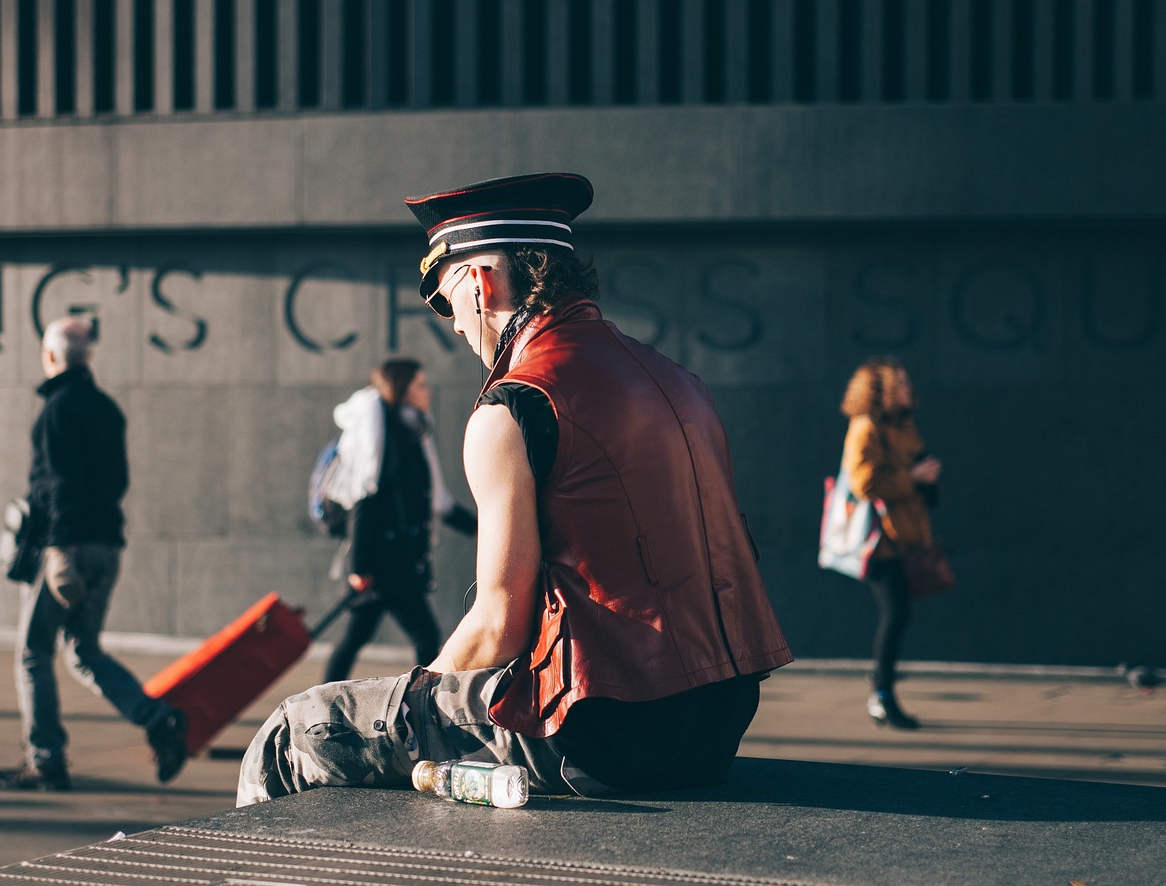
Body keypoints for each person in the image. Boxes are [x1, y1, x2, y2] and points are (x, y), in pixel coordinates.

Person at [237, 172, 790, 805]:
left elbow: (499, 622)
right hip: (716, 726)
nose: (451, 325)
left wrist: (410, 713)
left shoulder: (514, 406)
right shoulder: (682, 383)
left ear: (480, 281)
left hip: (601, 733)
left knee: (300, 729)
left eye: (445, 300)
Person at [0, 317, 187, 791]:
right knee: (82, 648)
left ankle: (47, 760)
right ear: (89, 358)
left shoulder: (55, 411)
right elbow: (117, 482)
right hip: (107, 546)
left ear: (52, 357)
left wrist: (59, 551)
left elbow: (57, 484)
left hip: (67, 547)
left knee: (33, 653)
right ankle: (157, 717)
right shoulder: (106, 407)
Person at [322, 358, 477, 683]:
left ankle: (323, 702)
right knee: (424, 637)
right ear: (403, 390)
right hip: (385, 565)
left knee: (358, 639)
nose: (427, 391)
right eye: (420, 385)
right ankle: (426, 704)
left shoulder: (413, 431)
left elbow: (438, 503)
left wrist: (486, 528)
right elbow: (367, 501)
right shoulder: (387, 439)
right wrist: (359, 568)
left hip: (391, 563)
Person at [837, 357, 942, 730]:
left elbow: (915, 468)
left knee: (899, 615)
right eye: (901, 383)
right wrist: (912, 476)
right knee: (896, 614)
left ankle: (882, 687)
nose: (909, 389)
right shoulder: (865, 427)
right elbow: (863, 482)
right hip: (877, 542)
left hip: (903, 537)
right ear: (880, 389)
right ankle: (881, 694)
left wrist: (926, 477)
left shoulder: (903, 426)